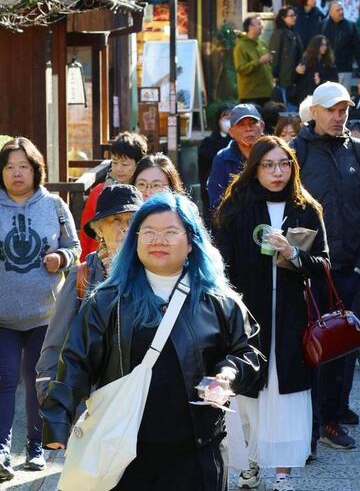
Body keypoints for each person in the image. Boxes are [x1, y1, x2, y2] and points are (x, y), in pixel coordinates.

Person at [41, 192, 264, 490]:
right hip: (124, 449)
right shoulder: (109, 300)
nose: (158, 240)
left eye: (171, 232)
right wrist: (58, 419)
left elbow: (248, 350)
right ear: (135, 241)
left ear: (191, 241)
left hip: (198, 449)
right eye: (148, 232)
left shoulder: (218, 300)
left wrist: (228, 374)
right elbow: (76, 361)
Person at [215, 136, 330, 491]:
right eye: (268, 165)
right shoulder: (237, 207)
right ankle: (250, 464)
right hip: (250, 316)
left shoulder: (306, 208)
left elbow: (324, 264)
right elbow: (221, 264)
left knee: (288, 396)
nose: (277, 172)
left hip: (293, 318)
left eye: (284, 164)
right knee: (249, 394)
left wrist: (294, 256)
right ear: (255, 168)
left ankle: (283, 474)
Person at [292, 82, 360, 451]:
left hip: (348, 268)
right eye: (331, 109)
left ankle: (333, 415)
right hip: (308, 269)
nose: (338, 116)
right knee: (308, 346)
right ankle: (307, 423)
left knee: (343, 345)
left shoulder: (358, 151)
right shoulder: (296, 151)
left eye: (343, 109)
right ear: (314, 111)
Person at [0, 137, 80, 480]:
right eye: (9, 167)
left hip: (45, 314)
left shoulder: (55, 206)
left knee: (38, 380)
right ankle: (2, 451)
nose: (17, 174)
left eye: (24, 167)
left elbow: (74, 247)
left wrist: (60, 258)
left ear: (36, 170)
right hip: (2, 316)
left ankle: (34, 447)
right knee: (3, 379)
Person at [36, 184, 143, 405]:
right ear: (99, 229)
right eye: (116, 220)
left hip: (143, 396)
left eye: (132, 219)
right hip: (93, 400)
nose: (125, 228)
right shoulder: (83, 275)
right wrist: (50, 396)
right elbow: (56, 342)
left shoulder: (154, 270)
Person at [79, 131, 148, 259]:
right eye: (115, 162)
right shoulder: (98, 191)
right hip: (98, 260)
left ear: (138, 164)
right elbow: (85, 234)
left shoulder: (146, 193)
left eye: (125, 164)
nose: (118, 169)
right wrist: (85, 262)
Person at [207, 104, 264, 211]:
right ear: (231, 132)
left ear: (262, 126)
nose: (248, 129)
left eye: (253, 123)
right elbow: (216, 202)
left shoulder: (273, 153)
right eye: (241, 124)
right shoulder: (223, 159)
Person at [320, 1, 360, 91]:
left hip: (345, 69)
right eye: (338, 10)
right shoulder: (322, 25)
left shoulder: (350, 26)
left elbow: (358, 49)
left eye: (342, 9)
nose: (341, 12)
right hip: (326, 70)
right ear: (330, 13)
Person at [198, 104, 232, 224]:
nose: (228, 122)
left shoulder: (238, 143)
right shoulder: (208, 143)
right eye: (225, 118)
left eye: (231, 118)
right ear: (218, 121)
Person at [233, 16, 274, 106]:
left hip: (266, 92)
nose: (262, 26)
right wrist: (259, 62)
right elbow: (241, 69)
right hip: (251, 94)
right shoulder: (241, 46)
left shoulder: (262, 43)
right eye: (259, 24)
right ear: (250, 27)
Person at [269, 6, 303, 109]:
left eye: (295, 15)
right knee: (285, 109)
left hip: (294, 77)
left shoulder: (294, 33)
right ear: (283, 18)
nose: (294, 18)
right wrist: (274, 75)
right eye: (291, 16)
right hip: (283, 78)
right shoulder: (278, 33)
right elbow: (274, 56)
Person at [295, 34, 338, 104]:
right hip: (306, 96)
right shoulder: (306, 59)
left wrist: (320, 81)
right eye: (322, 45)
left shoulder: (328, 61)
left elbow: (334, 80)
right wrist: (297, 71)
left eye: (326, 45)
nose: (325, 47)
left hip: (323, 96)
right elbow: (298, 80)